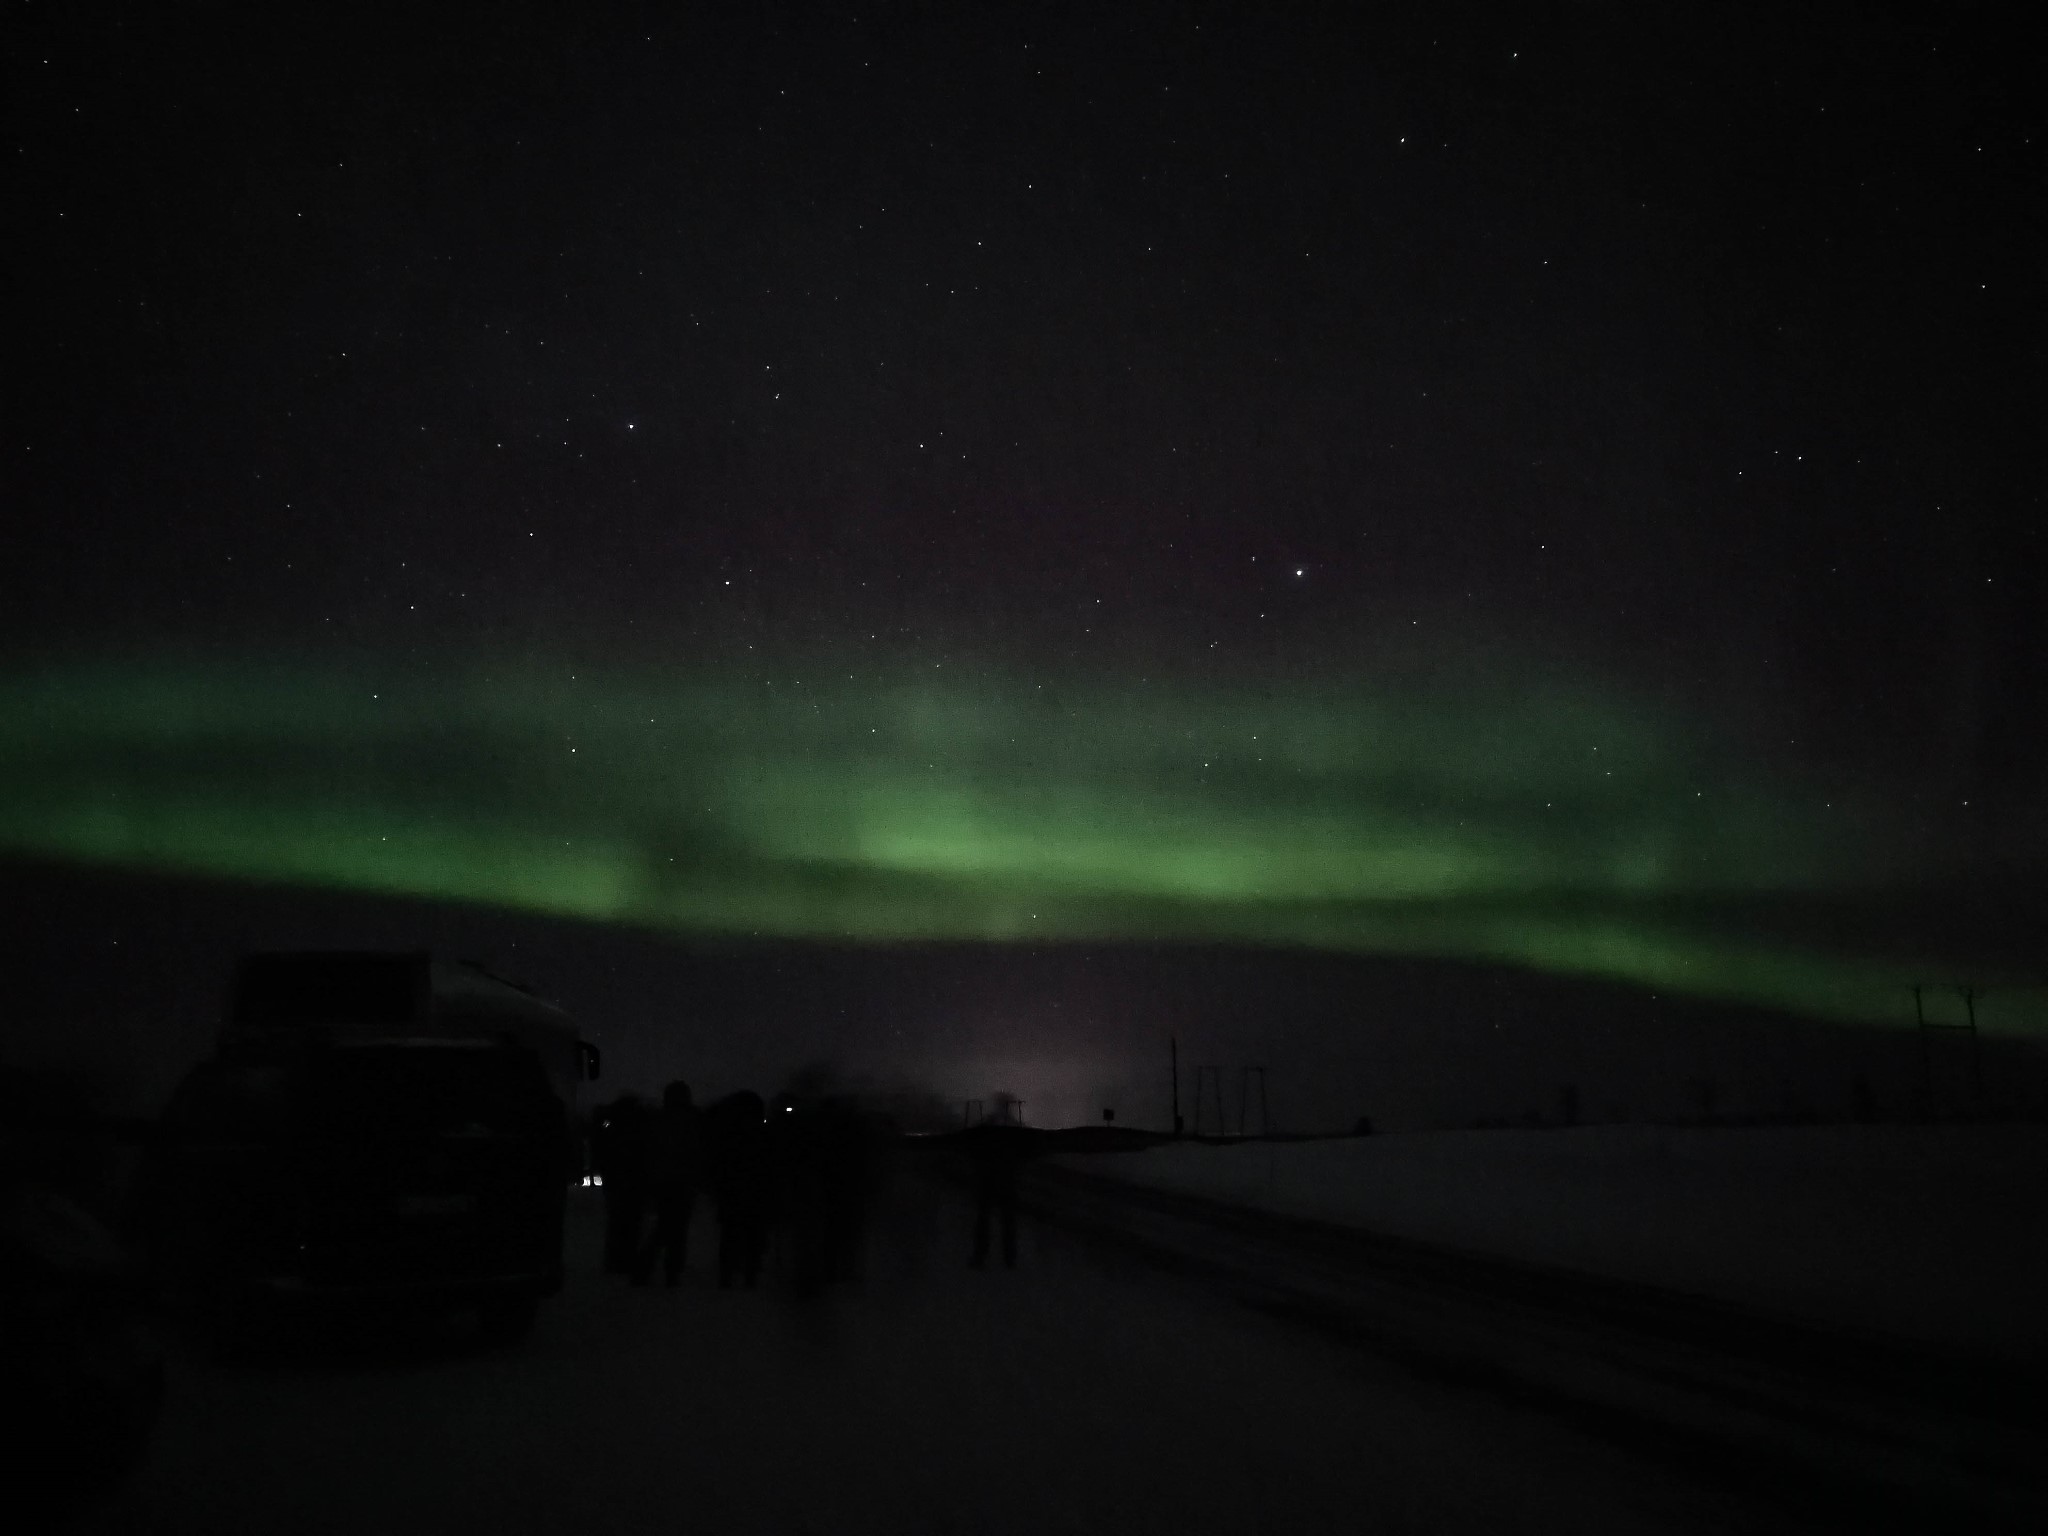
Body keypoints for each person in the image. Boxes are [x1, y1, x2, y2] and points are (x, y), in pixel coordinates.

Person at [631, 1081, 700, 1288]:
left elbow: (647, 1152)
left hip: (661, 1182)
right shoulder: (691, 1120)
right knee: (676, 1229)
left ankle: (647, 1267)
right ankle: (671, 1270)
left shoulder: (658, 1120)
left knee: (664, 1227)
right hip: (682, 1182)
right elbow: (696, 1153)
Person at [704, 1091, 769, 1290]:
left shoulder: (726, 1132)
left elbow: (717, 1161)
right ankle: (747, 1274)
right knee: (749, 1233)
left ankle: (729, 1274)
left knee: (732, 1233)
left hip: (734, 1189)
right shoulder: (759, 1132)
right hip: (751, 1188)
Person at [592, 1094, 650, 1275]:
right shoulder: (636, 1125)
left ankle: (614, 1261)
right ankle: (627, 1260)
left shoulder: (610, 1123)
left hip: (616, 1177)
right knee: (631, 1222)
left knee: (617, 1221)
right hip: (632, 1178)